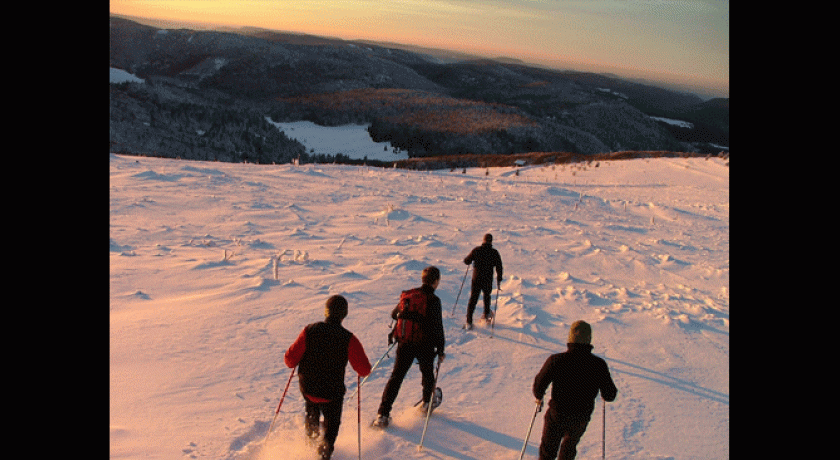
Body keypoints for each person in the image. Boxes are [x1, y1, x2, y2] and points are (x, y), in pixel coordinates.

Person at [284, 295, 372, 460]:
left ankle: (309, 446)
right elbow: (364, 370)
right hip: (332, 394)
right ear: (344, 314)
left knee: (312, 411)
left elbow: (289, 360)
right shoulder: (348, 338)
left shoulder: (309, 330)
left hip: (308, 389)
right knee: (332, 425)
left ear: (326, 311)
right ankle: (324, 452)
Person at [532, 320, 617, 460]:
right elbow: (610, 395)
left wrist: (539, 396)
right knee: (569, 447)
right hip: (581, 417)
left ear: (570, 338)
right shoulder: (598, 365)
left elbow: (539, 384)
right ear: (589, 339)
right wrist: (605, 394)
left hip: (557, 414)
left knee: (548, 450)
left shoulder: (556, 360)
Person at [373, 266, 446, 427]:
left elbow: (394, 314)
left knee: (396, 377)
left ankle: (382, 414)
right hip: (425, 344)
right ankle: (427, 403)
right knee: (427, 374)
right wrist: (441, 350)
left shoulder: (409, 295)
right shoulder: (433, 300)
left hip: (405, 342)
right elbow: (437, 327)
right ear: (435, 281)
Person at [463, 233, 503, 328]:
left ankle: (469, 321)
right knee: (487, 296)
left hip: (476, 278)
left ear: (483, 240)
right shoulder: (494, 252)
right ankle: (486, 315)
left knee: (473, 298)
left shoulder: (477, 250)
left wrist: (469, 260)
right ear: (491, 241)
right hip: (488, 279)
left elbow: (466, 261)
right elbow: (499, 266)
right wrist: (499, 278)